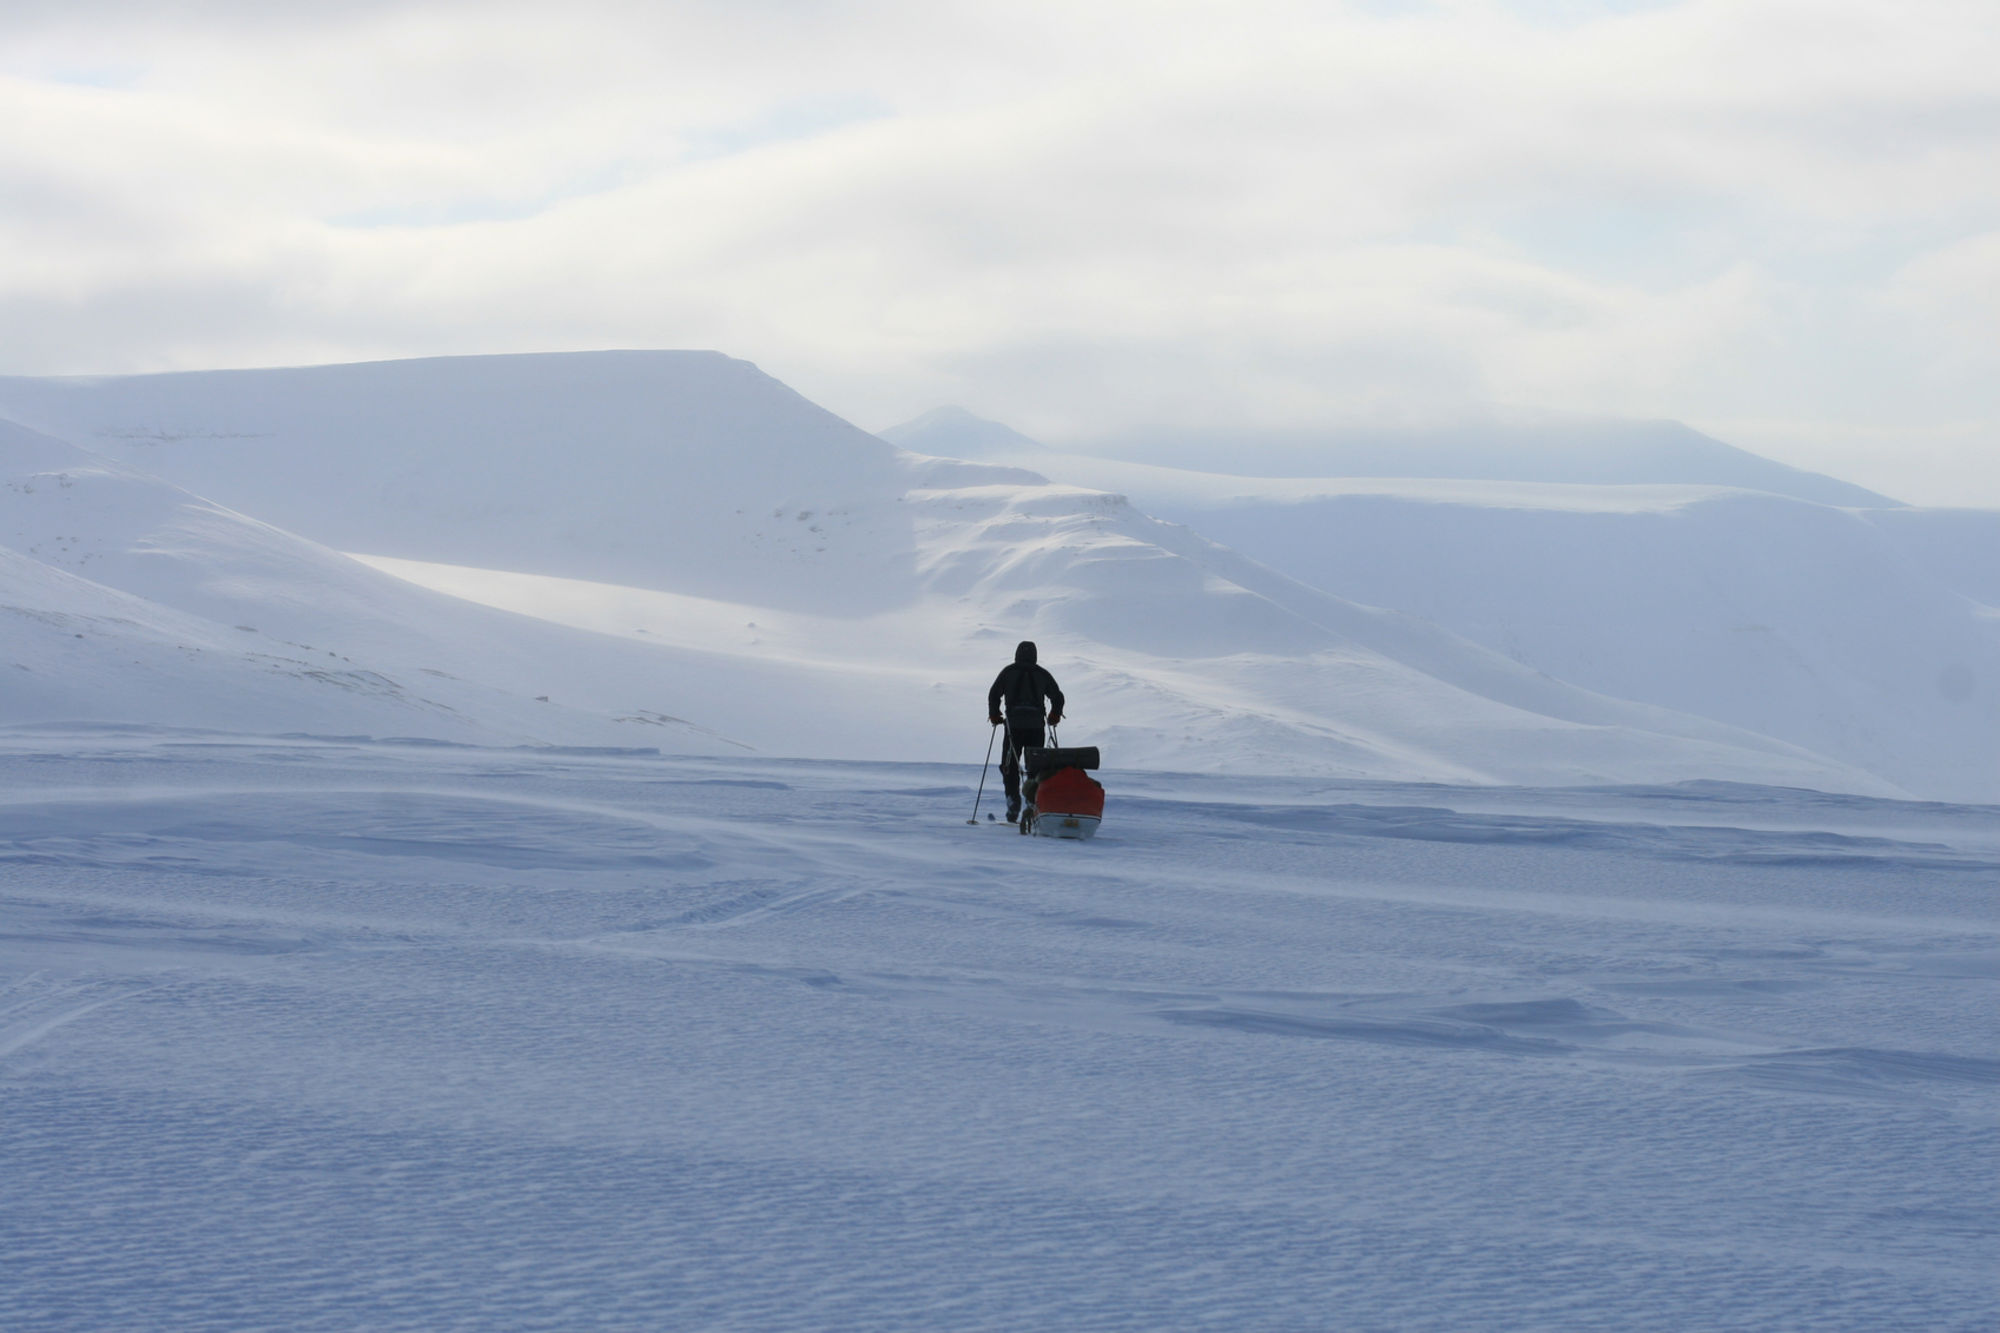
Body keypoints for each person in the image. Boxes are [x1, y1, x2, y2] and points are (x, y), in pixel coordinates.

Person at [988, 640, 1064, 823]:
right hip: (1036, 727)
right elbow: (1057, 696)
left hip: (1013, 726)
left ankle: (1013, 802)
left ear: (1017, 654)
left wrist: (995, 715)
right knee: (1035, 767)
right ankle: (1033, 803)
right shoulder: (1042, 674)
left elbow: (994, 694)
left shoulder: (1008, 672)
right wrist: (1054, 715)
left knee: (1009, 766)